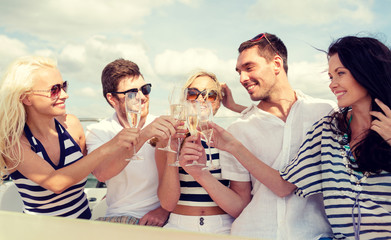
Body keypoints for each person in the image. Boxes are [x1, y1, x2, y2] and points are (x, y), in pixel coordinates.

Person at [192, 36, 391, 239]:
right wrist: (231, 145)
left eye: (249, 67)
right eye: (331, 77)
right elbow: (282, 184)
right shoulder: (329, 127)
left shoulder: (323, 112)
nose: (333, 85)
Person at [181, 33, 337, 239]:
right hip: (254, 233)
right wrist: (200, 173)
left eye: (249, 67)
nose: (242, 79)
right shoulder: (239, 129)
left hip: (314, 234)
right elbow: (240, 205)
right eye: (239, 72)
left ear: (276, 63)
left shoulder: (324, 112)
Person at [0, 56, 139, 219]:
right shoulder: (13, 143)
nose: (65, 95)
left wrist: (114, 194)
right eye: (54, 89)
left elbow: (90, 168)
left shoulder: (72, 125)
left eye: (64, 86)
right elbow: (56, 182)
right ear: (26, 97)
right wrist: (109, 146)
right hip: (40, 232)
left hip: (82, 226)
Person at [156, 71, 250, 234]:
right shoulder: (168, 140)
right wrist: (173, 150)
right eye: (193, 94)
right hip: (178, 226)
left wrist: (201, 173)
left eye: (210, 95)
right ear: (185, 100)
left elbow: (240, 207)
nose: (201, 99)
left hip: (223, 227)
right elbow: (167, 204)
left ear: (218, 103)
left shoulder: (231, 141)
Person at [85, 58, 177, 226]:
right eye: (132, 93)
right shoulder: (98, 131)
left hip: (162, 217)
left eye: (145, 89)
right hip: (119, 216)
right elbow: (101, 173)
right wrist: (143, 136)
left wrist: (164, 210)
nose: (142, 97)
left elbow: (181, 177)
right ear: (112, 99)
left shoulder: (162, 125)